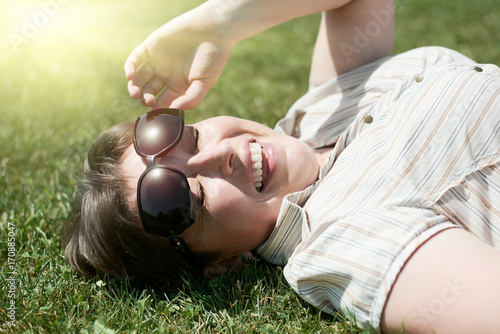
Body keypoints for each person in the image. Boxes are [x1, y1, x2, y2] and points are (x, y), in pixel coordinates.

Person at [63, 0, 500, 333]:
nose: (220, 155)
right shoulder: (337, 239)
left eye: (189, 136)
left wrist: (224, 20)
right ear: (220, 264)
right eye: (187, 196)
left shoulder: (315, 113)